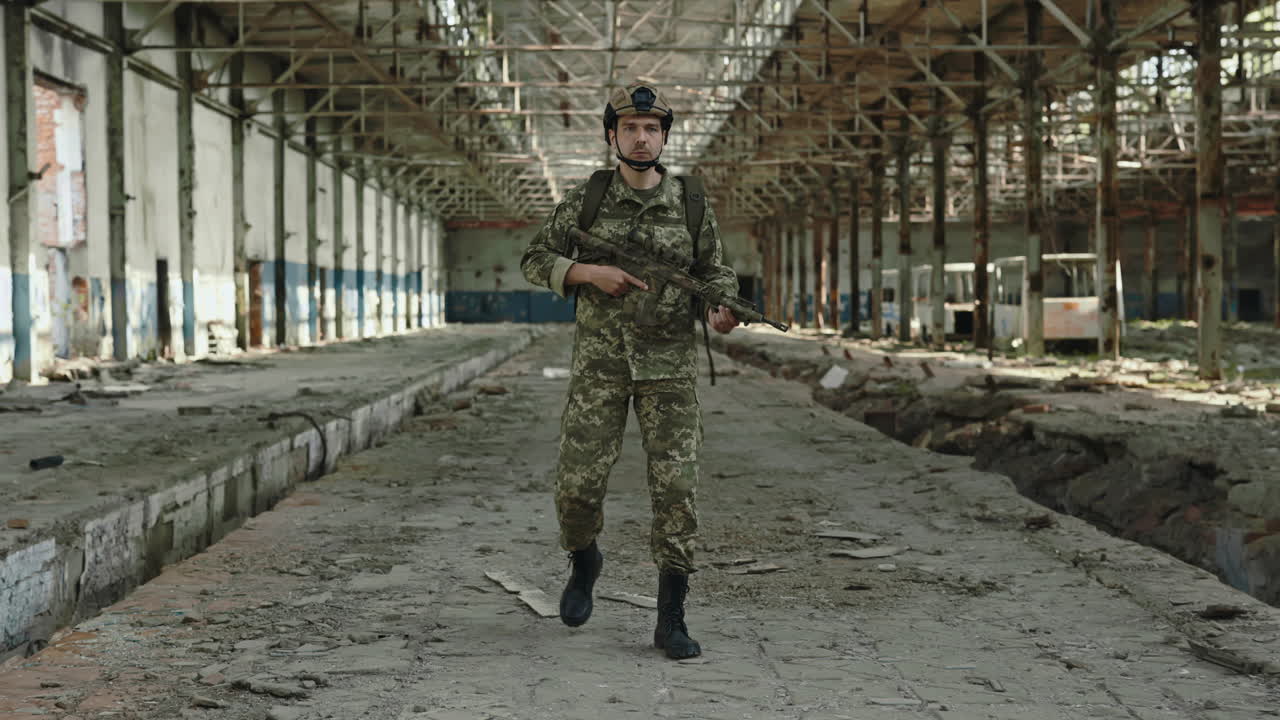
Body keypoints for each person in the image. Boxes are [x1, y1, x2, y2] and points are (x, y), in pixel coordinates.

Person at [519, 84, 739, 660]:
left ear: (665, 136)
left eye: (652, 128)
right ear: (612, 135)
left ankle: (671, 618)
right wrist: (588, 274)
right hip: (600, 369)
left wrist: (721, 306)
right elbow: (535, 257)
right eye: (631, 128)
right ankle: (584, 559)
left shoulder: (690, 203)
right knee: (577, 487)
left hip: (669, 370)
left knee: (677, 492)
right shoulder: (584, 200)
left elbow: (716, 271)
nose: (642, 138)